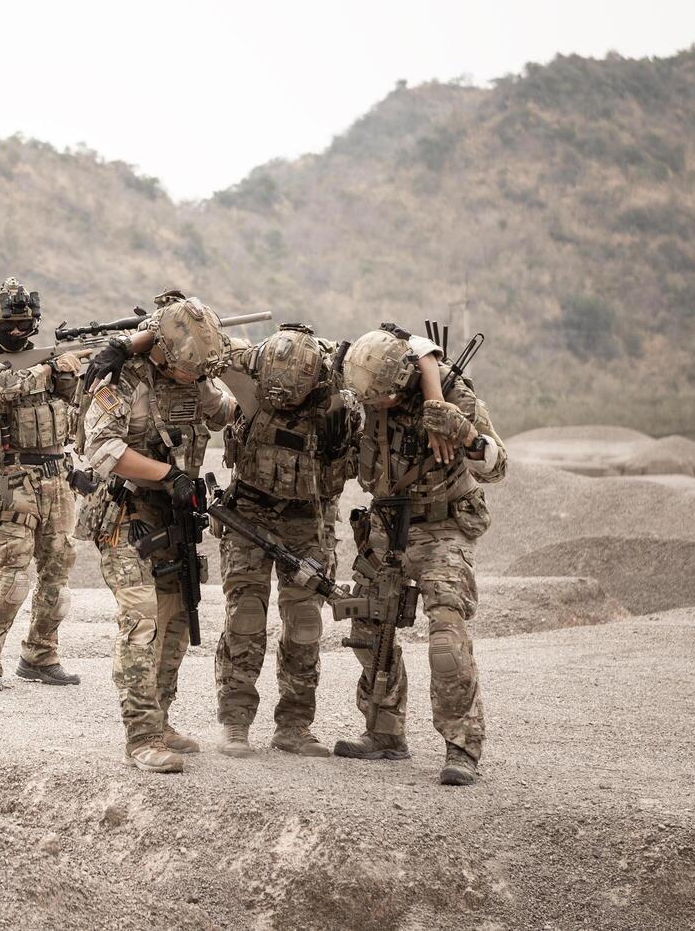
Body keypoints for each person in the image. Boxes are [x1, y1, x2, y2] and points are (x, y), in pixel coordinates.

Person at [334, 324, 507, 786]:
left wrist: (467, 436)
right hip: (387, 525)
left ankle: (461, 747)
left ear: (402, 381)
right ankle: (385, 734)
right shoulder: (366, 386)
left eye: (381, 402)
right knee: (367, 624)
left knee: (446, 635)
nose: (372, 408)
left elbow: (497, 466)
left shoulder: (450, 393)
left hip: (444, 524)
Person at [77, 293, 237, 773]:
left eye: (199, 371)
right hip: (126, 513)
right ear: (162, 352)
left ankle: (161, 719)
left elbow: (223, 411)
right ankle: (142, 736)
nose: (192, 378)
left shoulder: (196, 374)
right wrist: (168, 475)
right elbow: (102, 449)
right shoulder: (123, 380)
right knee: (143, 617)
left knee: (176, 616)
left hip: (175, 517)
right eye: (186, 369)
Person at [212, 324, 360, 759]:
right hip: (249, 512)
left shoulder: (342, 387)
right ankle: (235, 721)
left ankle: (294, 725)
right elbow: (195, 345)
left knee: (305, 623)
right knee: (245, 614)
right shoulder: (247, 363)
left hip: (309, 519)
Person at [0, 277, 83, 691]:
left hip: (58, 478)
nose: (18, 331)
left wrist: (73, 371)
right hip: (15, 481)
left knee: (58, 576)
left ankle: (40, 655)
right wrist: (51, 366)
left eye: (25, 323)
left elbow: (76, 406)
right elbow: (6, 387)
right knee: (12, 574)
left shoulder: (49, 363)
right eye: (8, 324)